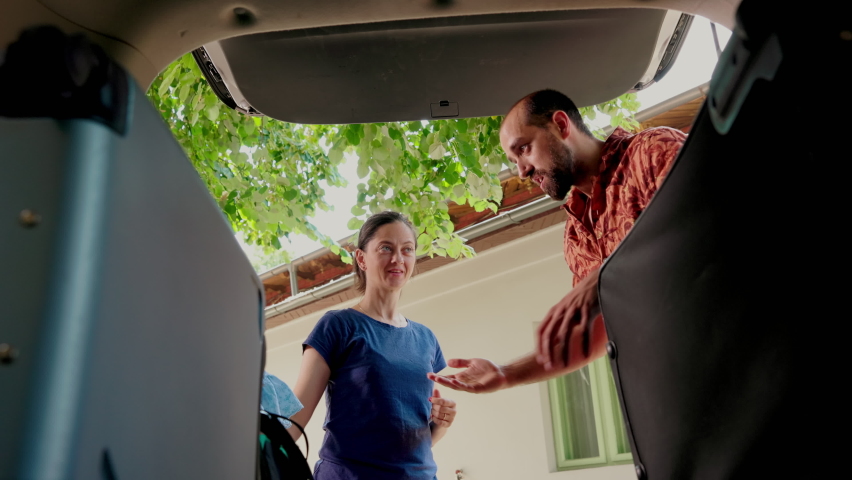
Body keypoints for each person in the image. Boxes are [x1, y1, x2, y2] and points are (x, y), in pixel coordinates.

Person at [429, 89, 686, 393]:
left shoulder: (651, 152)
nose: (522, 171)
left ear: (561, 125)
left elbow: (704, 223)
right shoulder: (575, 237)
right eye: (513, 160)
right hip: (667, 391)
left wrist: (603, 277)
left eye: (524, 148)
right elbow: (591, 335)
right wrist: (507, 373)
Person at [287, 211, 457, 480]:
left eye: (407, 249)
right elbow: (296, 416)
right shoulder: (338, 326)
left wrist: (441, 422)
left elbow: (418, 439)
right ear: (361, 258)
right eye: (386, 248)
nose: (398, 258)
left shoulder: (426, 339)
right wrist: (252, 454)